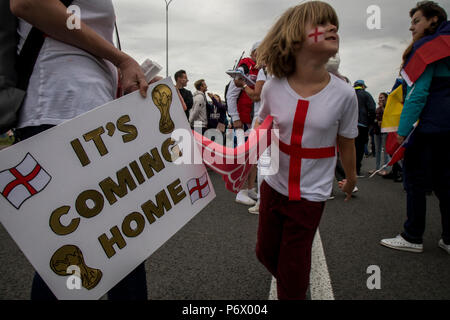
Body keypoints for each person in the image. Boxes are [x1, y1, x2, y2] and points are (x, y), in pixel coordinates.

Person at [10, 0, 150, 299]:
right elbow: (28, 4)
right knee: (83, 248)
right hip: (64, 109)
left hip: (81, 110)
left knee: (115, 240)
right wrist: (121, 59)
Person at [254, 1, 358, 299]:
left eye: (334, 24)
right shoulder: (273, 87)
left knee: (294, 270)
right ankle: (293, 282)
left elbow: (347, 141)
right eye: (321, 24)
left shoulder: (345, 94)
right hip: (274, 185)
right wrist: (241, 159)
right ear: (295, 36)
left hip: (311, 196)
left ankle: (293, 286)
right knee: (264, 252)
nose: (332, 28)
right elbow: (262, 128)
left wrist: (351, 178)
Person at [381, 1, 449, 254]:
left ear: (433, 20)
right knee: (445, 183)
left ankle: (412, 236)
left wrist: (401, 130)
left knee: (415, 181)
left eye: (416, 20)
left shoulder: (428, 49)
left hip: (428, 126)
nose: (411, 27)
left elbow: (417, 94)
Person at [226, 42, 260, 206]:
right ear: (255, 52)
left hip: (253, 119)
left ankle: (250, 187)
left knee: (254, 156)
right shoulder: (244, 67)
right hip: (242, 120)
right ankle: (240, 191)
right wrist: (235, 118)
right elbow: (231, 95)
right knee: (243, 156)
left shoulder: (261, 68)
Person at [235, 66, 268, 214]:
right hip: (279, 116)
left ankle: (262, 201)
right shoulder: (287, 66)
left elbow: (256, 96)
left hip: (264, 118)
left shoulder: (265, 70)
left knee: (263, 161)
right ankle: (249, 191)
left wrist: (243, 85)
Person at [370, 92, 390, 175]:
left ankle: (385, 169)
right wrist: (376, 121)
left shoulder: (388, 107)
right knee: (377, 150)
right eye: (379, 98)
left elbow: (388, 116)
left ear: (386, 98)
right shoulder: (377, 109)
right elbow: (374, 118)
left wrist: (382, 107)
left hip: (385, 131)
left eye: (382, 97)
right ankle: (377, 168)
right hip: (377, 131)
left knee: (385, 151)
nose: (380, 99)